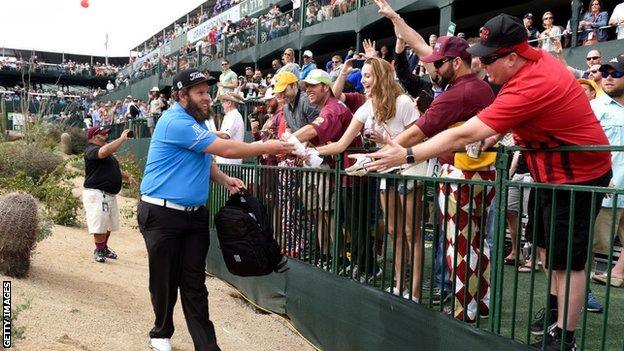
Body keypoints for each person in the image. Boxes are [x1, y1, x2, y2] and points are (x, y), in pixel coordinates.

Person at [366, 13, 611, 350]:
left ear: (512, 57)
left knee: (565, 261)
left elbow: (463, 131)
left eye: (488, 56)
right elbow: (429, 54)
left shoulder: (529, 81)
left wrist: (406, 156)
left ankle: (562, 335)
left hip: (576, 175)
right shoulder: (519, 68)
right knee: (545, 251)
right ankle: (553, 312)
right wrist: (400, 26)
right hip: (548, 172)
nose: (481, 61)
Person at [138, 68, 293, 351]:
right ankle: (160, 332)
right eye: (200, 93)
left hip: (195, 215)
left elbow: (204, 158)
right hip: (162, 214)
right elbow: (227, 150)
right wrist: (267, 145)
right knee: (165, 280)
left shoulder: (195, 121)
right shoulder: (175, 121)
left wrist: (222, 178)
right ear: (182, 96)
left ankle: (207, 347)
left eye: (208, 92)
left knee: (195, 282)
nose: (207, 98)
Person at [317, 57, 419, 296]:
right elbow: (342, 144)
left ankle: (413, 292)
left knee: (410, 232)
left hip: (410, 171)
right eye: (362, 76)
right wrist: (307, 150)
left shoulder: (403, 101)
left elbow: (418, 135)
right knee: (393, 230)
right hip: (386, 171)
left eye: (368, 76)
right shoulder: (365, 107)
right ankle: (398, 285)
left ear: (381, 77)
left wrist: (387, 145)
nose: (363, 81)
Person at [591, 56, 624, 288]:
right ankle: (580, 295)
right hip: (607, 190)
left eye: (616, 73)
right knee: (589, 246)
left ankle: (619, 274)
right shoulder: (594, 107)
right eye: (606, 72)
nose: (608, 77)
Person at [83, 126, 135, 263]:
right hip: (97, 193)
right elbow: (104, 151)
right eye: (103, 133)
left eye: (106, 133)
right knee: (100, 223)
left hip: (109, 195)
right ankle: (99, 250)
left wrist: (127, 177)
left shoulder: (107, 154)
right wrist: (122, 139)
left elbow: (115, 169)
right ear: (93, 137)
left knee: (108, 224)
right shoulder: (91, 150)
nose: (106, 135)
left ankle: (103, 248)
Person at [215, 92, 245, 164]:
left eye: (223, 102)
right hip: (227, 160)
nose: (222, 105)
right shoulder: (231, 115)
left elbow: (225, 135)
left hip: (230, 162)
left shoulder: (233, 115)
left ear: (229, 103)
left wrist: (207, 132)